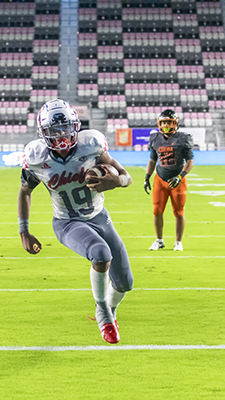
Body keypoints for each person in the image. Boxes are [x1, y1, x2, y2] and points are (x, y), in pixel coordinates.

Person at [18, 99, 133, 344]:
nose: (60, 136)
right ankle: (102, 312)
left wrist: (116, 182)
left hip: (100, 217)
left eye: (65, 128)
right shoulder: (36, 157)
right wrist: (24, 231)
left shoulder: (91, 145)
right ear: (43, 133)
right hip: (67, 222)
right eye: (54, 131)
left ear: (76, 126)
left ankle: (110, 310)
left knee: (124, 282)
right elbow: (25, 191)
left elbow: (126, 176)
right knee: (101, 254)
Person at [144, 109, 194, 251]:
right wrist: (147, 177)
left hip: (177, 179)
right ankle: (159, 240)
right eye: (163, 122)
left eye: (168, 122)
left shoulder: (183, 138)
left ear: (175, 123)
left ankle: (178, 242)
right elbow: (152, 160)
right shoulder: (155, 138)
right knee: (157, 210)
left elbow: (190, 162)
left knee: (179, 212)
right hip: (160, 178)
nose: (165, 125)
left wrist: (180, 177)